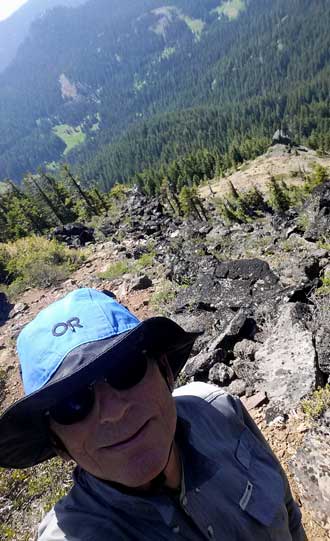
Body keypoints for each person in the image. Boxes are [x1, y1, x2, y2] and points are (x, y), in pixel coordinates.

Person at [0, 287, 306, 541]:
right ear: (58, 443)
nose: (114, 411)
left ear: (165, 372)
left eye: (125, 370)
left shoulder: (220, 410)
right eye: (72, 404)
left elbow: (289, 514)